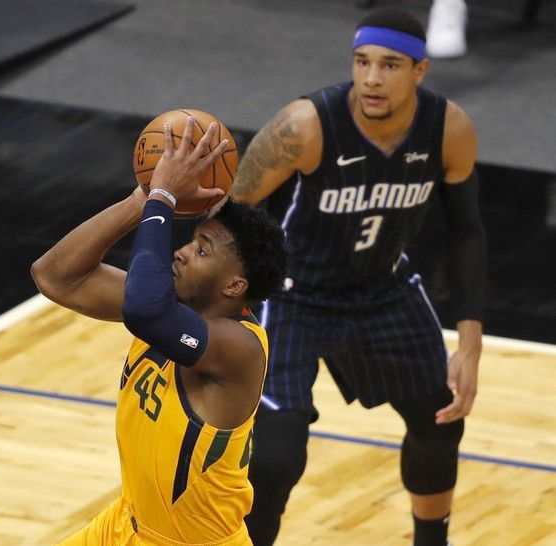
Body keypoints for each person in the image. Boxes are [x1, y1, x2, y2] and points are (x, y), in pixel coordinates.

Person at [231, 8, 486, 546]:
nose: (371, 78)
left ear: (420, 70)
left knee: (440, 421)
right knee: (275, 457)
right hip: (293, 296)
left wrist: (469, 342)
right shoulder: (303, 127)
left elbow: (466, 231)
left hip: (383, 289)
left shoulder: (450, 129)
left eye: (390, 65)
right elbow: (231, 213)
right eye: (362, 62)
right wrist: (222, 305)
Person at [31, 117, 287, 545]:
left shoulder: (238, 347)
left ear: (234, 285)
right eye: (193, 239)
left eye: (202, 250)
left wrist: (164, 199)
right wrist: (142, 198)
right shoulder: (167, 300)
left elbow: (145, 313)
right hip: (125, 526)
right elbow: (55, 276)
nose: (184, 252)